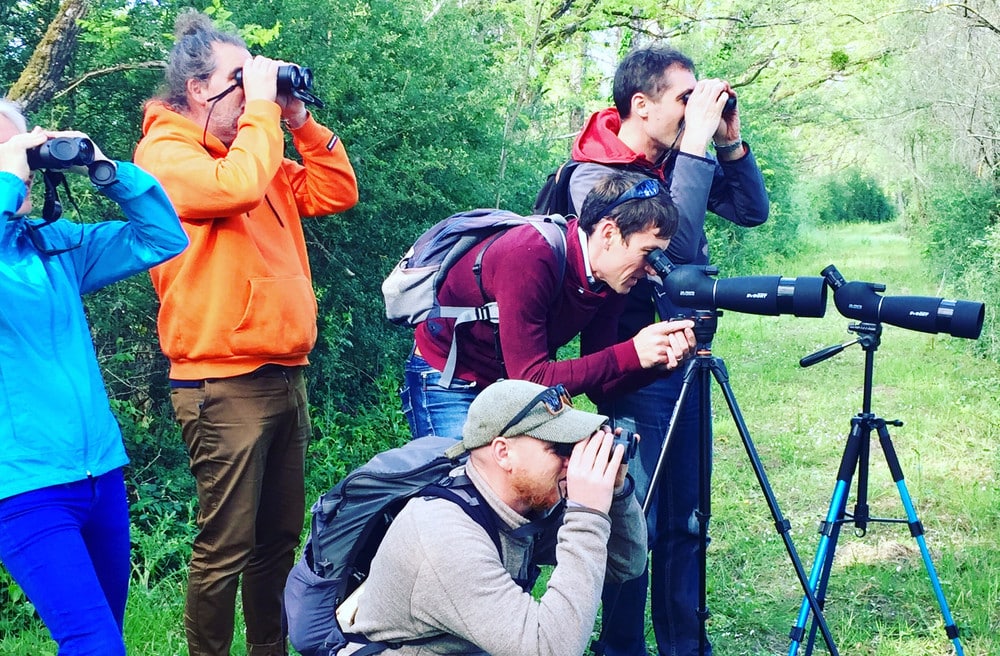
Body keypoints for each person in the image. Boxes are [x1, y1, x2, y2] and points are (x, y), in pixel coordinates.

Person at [132, 10, 359, 656]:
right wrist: (263, 115)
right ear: (199, 89)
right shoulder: (166, 157)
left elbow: (337, 190)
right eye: (240, 77)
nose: (252, 86)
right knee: (224, 548)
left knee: (277, 541)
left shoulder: (253, 150)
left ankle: (269, 650)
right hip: (221, 385)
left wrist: (296, 118)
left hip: (284, 376)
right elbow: (235, 187)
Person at [565, 44, 770, 656]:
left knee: (687, 518)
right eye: (684, 100)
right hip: (628, 369)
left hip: (685, 358)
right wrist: (695, 147)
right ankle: (621, 646)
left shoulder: (672, 159)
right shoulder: (592, 173)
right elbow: (674, 248)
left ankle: (686, 645)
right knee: (636, 519)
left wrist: (726, 142)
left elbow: (752, 211)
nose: (692, 110)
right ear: (641, 104)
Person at [0, 99, 188, 654]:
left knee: (104, 634)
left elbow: (162, 238)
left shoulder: (50, 244)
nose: (23, 162)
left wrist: (106, 170)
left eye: (22, 146)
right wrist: (8, 172)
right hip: (23, 487)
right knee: (95, 645)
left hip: (101, 475)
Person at [343, 379, 648, 655]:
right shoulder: (445, 537)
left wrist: (617, 494)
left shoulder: (519, 503)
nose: (572, 463)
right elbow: (551, 649)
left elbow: (625, 563)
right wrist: (587, 514)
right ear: (503, 453)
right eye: (561, 449)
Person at [401, 170, 697, 440]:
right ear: (609, 234)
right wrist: (630, 351)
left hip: (505, 380)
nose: (653, 268)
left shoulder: (611, 277)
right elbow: (531, 379)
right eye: (649, 253)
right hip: (449, 375)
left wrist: (657, 361)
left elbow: (599, 388)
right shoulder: (530, 255)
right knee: (458, 484)